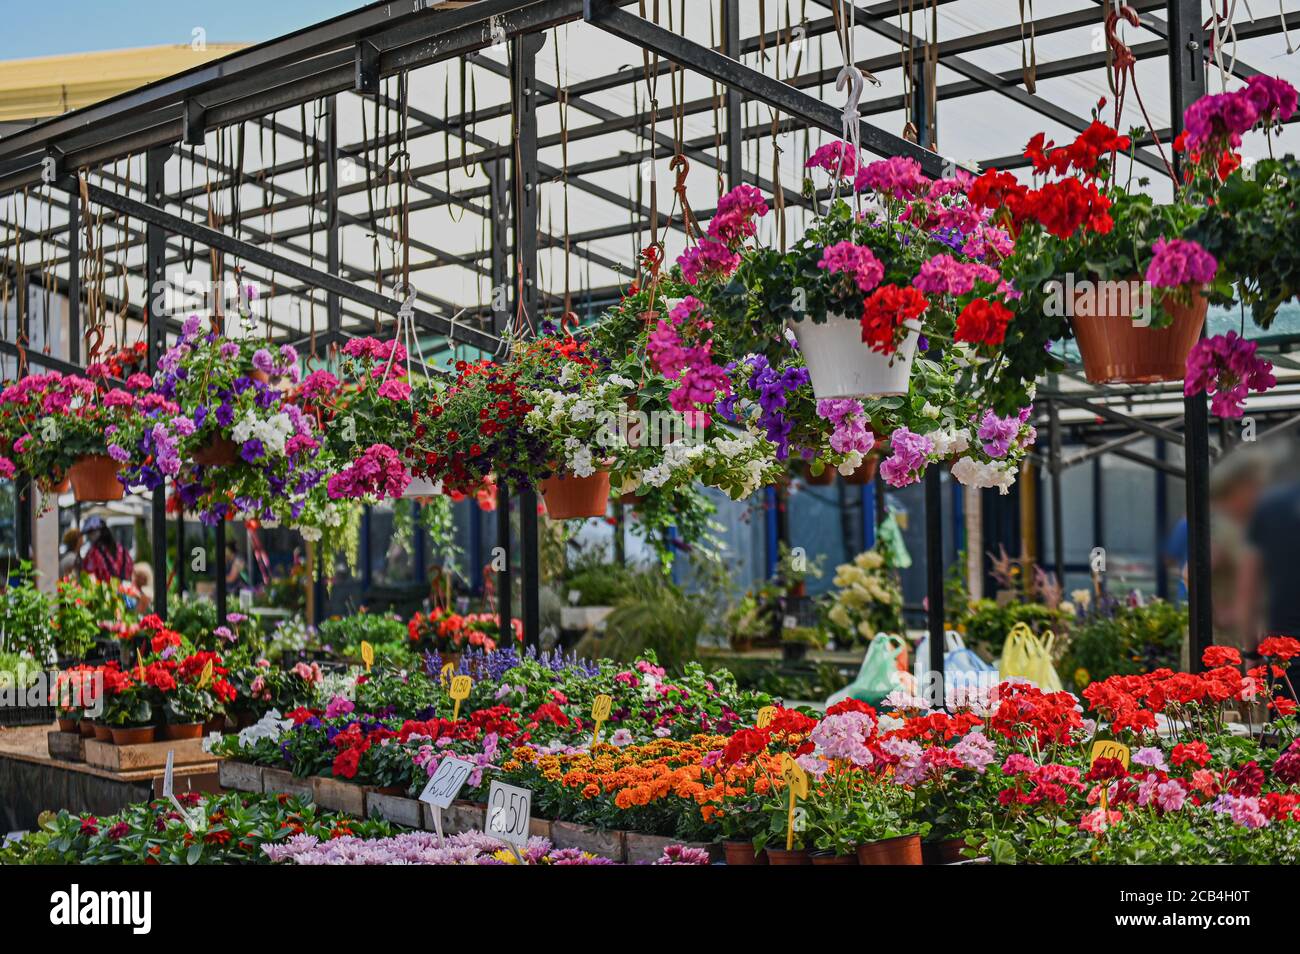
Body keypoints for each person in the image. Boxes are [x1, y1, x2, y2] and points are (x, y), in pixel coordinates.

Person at [77, 516, 132, 583]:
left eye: (91, 533)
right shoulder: (122, 549)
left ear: (99, 532)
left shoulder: (93, 553)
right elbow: (130, 572)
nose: (89, 537)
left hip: (103, 591)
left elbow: (87, 575)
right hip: (125, 590)